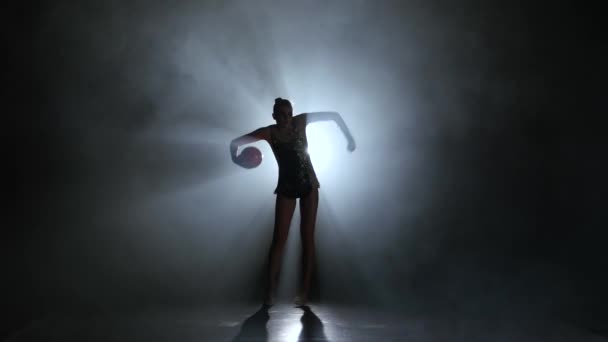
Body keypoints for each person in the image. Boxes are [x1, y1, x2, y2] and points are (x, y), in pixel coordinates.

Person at [230, 97, 356, 306]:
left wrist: (349, 138)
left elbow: (334, 116)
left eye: (288, 114)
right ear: (274, 116)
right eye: (281, 115)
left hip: (309, 185)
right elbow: (234, 142)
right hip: (286, 188)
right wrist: (237, 160)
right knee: (279, 240)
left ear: (292, 113)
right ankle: (269, 292)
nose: (286, 119)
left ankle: (303, 293)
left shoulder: (300, 121)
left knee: (307, 238)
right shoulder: (269, 132)